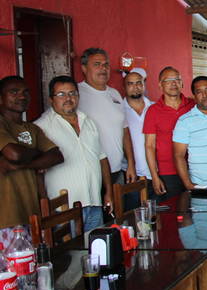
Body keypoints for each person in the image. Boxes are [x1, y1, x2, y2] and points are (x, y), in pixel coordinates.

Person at [36, 76, 113, 232]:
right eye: (61, 94)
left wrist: (108, 193)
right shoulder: (41, 127)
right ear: (51, 99)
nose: (68, 98)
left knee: (95, 252)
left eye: (72, 93)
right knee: (69, 254)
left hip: (94, 203)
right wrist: (45, 205)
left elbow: (102, 159)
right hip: (64, 209)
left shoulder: (89, 122)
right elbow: (36, 170)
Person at [0, 76, 63, 243]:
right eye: (14, 92)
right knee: (13, 268)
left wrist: (21, 164)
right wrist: (38, 154)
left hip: (32, 213)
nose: (22, 96)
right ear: (0, 98)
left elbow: (57, 156)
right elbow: (14, 154)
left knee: (37, 265)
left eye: (25, 92)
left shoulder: (32, 128)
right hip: (6, 217)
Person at [76, 48, 136, 201]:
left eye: (106, 65)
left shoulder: (114, 94)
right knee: (98, 220)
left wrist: (130, 163)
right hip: (92, 172)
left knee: (118, 218)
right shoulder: (77, 94)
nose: (103, 68)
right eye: (97, 64)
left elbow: (125, 131)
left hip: (117, 170)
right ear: (84, 68)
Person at [143, 67, 195, 203]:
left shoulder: (193, 105)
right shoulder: (153, 111)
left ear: (182, 83)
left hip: (195, 169)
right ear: (160, 85)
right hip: (168, 173)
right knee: (173, 215)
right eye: (168, 80)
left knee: (198, 211)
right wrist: (154, 176)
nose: (173, 83)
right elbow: (149, 145)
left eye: (177, 79)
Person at [172, 76, 207, 188]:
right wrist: (188, 184)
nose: (205, 95)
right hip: (201, 186)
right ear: (193, 96)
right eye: (199, 92)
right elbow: (178, 155)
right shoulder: (184, 121)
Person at [121, 68, 153, 209]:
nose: (135, 87)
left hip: (155, 175)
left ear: (144, 85)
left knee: (157, 220)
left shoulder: (154, 107)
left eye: (139, 83)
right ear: (124, 87)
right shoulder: (118, 110)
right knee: (134, 219)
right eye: (130, 83)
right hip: (131, 175)